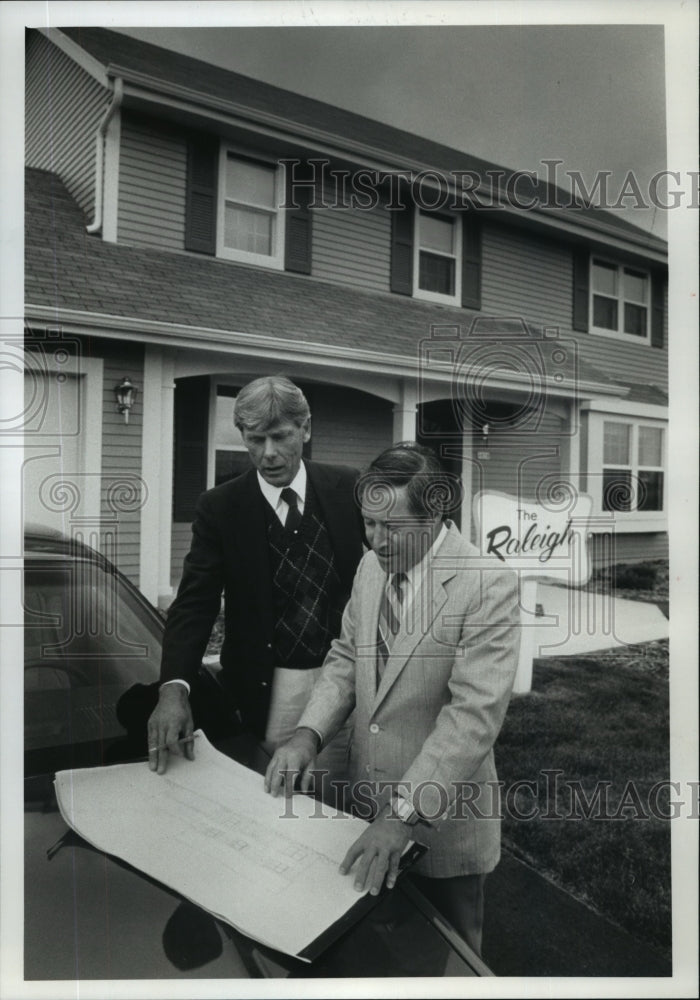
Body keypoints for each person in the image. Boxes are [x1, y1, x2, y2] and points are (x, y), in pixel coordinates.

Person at [265, 442, 521, 957]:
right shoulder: (370, 567)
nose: (374, 540)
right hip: (368, 817)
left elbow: (472, 718)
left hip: (444, 832)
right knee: (381, 959)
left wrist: (401, 816)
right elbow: (344, 659)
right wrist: (307, 734)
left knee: (451, 964)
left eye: (391, 527)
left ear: (434, 518)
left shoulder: (487, 584)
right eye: (368, 523)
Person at [148, 376, 365, 783]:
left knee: (343, 801)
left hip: (346, 678)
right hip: (271, 690)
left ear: (306, 429)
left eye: (281, 437)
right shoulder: (220, 508)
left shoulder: (347, 487)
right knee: (276, 805)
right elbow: (195, 603)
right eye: (254, 439)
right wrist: (173, 687)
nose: (268, 454)